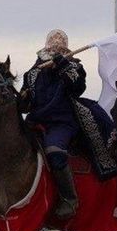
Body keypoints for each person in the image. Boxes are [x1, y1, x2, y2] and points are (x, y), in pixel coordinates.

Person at [18, 30, 86, 218]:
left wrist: (62, 64)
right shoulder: (32, 73)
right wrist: (22, 99)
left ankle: (69, 199)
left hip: (61, 121)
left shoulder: (73, 67)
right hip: (35, 120)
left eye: (59, 48)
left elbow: (78, 87)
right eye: (52, 48)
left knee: (54, 151)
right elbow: (25, 105)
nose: (55, 50)